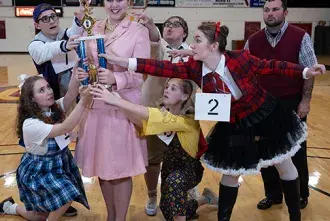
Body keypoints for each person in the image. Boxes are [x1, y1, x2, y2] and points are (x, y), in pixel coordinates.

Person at [98, 21, 326, 221]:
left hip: (264, 114)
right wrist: (122, 60)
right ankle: (223, 216)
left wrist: (305, 70)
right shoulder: (194, 67)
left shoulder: (241, 58)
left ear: (213, 46)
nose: (191, 45)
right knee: (231, 173)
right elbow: (159, 67)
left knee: (285, 165)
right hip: (235, 123)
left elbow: (272, 66)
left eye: (197, 40)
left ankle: (295, 215)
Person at [89, 78, 218, 221]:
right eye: (167, 86)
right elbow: (142, 123)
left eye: (173, 88)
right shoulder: (164, 111)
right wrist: (121, 106)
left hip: (188, 170)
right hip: (169, 168)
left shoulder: (187, 120)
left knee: (175, 186)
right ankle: (206, 198)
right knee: (169, 211)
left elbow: (153, 115)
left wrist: (118, 102)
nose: (167, 90)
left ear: (185, 96)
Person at [74, 0, 151, 220]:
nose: (114, 5)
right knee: (103, 166)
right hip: (96, 104)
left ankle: (120, 217)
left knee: (120, 169)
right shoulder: (93, 27)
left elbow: (141, 72)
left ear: (128, 2)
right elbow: (86, 61)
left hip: (122, 105)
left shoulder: (138, 31)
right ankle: (110, 215)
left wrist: (116, 78)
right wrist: (83, 73)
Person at [244, 0, 317, 210]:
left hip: (292, 102)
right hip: (262, 104)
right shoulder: (253, 40)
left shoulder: (300, 36)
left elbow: (310, 71)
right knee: (266, 150)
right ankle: (273, 194)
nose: (270, 14)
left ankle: (301, 193)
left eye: (275, 10)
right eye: (266, 10)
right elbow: (248, 73)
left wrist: (305, 100)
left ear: (285, 12)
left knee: (296, 149)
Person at [0, 67, 91, 221]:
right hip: (39, 171)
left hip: (59, 165)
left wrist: (76, 74)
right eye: (41, 90)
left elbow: (70, 94)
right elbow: (65, 127)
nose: (48, 91)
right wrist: (84, 101)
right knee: (69, 193)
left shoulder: (53, 108)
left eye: (48, 87)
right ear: (32, 99)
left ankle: (9, 207)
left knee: (39, 217)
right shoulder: (30, 124)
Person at [135, 13, 200, 216]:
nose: (170, 27)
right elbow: (154, 37)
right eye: (167, 24)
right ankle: (153, 195)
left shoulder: (195, 53)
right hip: (155, 112)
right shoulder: (159, 46)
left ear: (185, 32)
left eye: (176, 24)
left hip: (183, 118)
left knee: (186, 158)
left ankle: (188, 191)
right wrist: (151, 24)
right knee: (153, 159)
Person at [28, 2, 86, 100]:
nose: (51, 21)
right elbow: (45, 50)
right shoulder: (35, 45)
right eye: (45, 19)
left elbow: (75, 31)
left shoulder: (65, 34)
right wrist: (64, 45)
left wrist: (80, 17)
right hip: (55, 99)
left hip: (77, 93)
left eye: (53, 16)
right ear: (37, 25)